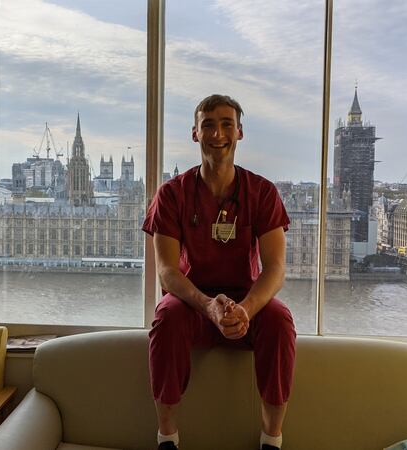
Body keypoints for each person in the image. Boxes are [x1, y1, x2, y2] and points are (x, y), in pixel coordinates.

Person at [142, 94, 296, 450]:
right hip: (191, 301)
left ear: (239, 132)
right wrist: (208, 305)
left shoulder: (262, 192)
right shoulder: (171, 195)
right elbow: (167, 272)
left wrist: (246, 309)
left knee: (279, 320)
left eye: (227, 124)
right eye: (208, 125)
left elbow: (275, 269)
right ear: (195, 133)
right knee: (166, 317)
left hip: (246, 301)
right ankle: (167, 437)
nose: (218, 133)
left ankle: (271, 439)